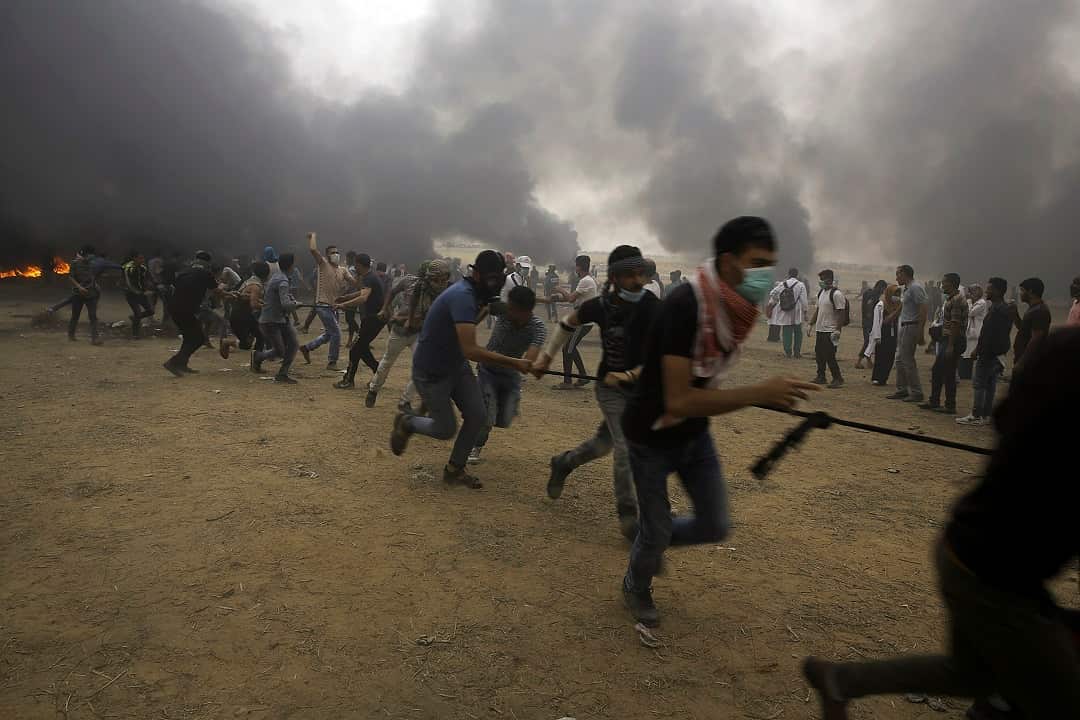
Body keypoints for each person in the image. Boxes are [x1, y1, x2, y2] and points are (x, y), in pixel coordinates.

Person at [803, 327, 1080, 719]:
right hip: (995, 572)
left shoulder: (1061, 350)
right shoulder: (1069, 358)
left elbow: (1008, 418)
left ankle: (843, 680)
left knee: (970, 675)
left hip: (967, 545)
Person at [619, 216, 819, 627]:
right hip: (651, 435)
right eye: (758, 262)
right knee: (655, 534)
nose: (766, 274)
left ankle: (650, 538)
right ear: (728, 262)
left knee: (715, 525)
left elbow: (699, 392)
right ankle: (636, 583)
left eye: (771, 263)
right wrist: (760, 393)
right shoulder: (686, 306)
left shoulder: (733, 311)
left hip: (693, 433)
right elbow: (679, 397)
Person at [532, 246, 662, 540]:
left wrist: (630, 374)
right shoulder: (601, 306)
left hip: (640, 391)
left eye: (641, 274)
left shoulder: (651, 306)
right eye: (630, 275)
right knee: (626, 449)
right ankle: (629, 517)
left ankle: (563, 463)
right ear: (615, 277)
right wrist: (546, 357)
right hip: (610, 390)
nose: (638, 280)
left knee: (604, 444)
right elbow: (568, 323)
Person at [389, 250, 533, 488]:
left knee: (478, 416)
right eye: (491, 278)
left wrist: (519, 310)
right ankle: (407, 422)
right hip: (431, 370)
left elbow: (495, 309)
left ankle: (455, 469)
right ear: (476, 274)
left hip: (456, 365)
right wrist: (515, 362)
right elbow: (471, 350)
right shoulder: (463, 296)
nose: (495, 284)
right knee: (444, 429)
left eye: (499, 278)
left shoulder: (479, 293)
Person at [468, 285, 547, 464]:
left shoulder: (538, 328)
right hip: (487, 370)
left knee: (503, 420)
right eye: (508, 306)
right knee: (487, 418)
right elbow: (488, 307)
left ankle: (500, 406)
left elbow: (529, 358)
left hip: (510, 376)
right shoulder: (503, 309)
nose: (507, 310)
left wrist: (529, 365)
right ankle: (475, 446)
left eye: (512, 308)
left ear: (526, 311)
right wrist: (472, 325)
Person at [366, 259, 451, 410]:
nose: (439, 283)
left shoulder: (439, 294)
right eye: (435, 279)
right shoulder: (410, 282)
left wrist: (399, 318)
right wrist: (384, 309)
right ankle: (373, 389)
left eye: (441, 279)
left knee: (422, 368)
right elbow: (392, 292)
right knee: (386, 362)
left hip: (418, 333)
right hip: (399, 332)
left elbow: (425, 316)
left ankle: (405, 401)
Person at [955, 278, 1012, 426]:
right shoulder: (1002, 308)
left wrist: (978, 350)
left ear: (998, 291)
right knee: (990, 385)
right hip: (995, 353)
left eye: (989, 289)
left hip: (988, 353)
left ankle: (976, 414)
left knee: (979, 384)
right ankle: (985, 415)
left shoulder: (997, 310)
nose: (986, 291)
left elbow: (989, 334)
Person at [163, 251, 222, 375]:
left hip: (174, 308)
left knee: (189, 336)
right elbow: (216, 290)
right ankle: (174, 362)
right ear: (207, 262)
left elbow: (174, 288)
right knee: (199, 338)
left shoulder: (184, 271)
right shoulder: (206, 273)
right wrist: (230, 295)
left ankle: (182, 364)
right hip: (186, 309)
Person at [334, 253, 386, 389]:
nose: (354, 267)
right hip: (373, 319)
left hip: (373, 319)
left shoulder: (369, 277)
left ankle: (348, 380)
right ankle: (378, 372)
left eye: (355, 264)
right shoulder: (369, 276)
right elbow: (361, 293)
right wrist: (345, 298)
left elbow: (363, 298)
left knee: (355, 349)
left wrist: (344, 305)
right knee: (361, 348)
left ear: (359, 264)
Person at [299, 233, 350, 370]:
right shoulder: (323, 264)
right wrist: (313, 236)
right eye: (333, 253)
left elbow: (355, 282)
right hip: (322, 305)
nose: (336, 254)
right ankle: (332, 362)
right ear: (327, 256)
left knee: (329, 334)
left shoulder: (343, 270)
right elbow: (313, 250)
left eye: (337, 252)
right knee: (336, 333)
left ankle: (307, 347)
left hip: (334, 306)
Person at [920, 273, 968, 414]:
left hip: (953, 340)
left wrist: (950, 345)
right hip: (948, 338)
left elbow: (955, 323)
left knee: (947, 373)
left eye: (944, 282)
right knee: (942, 371)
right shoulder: (951, 299)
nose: (941, 285)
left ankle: (948, 405)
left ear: (952, 284)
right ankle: (936, 401)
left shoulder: (957, 300)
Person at [250, 252, 301, 384]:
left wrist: (292, 300)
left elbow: (284, 297)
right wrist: (295, 305)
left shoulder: (279, 276)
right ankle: (258, 356)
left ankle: (282, 373)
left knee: (293, 344)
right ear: (291, 265)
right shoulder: (282, 280)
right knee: (280, 351)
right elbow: (286, 304)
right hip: (271, 321)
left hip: (280, 319)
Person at [554, 255, 599, 388]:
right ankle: (583, 377)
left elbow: (571, 299)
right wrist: (558, 297)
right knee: (570, 348)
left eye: (576, 265)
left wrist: (560, 289)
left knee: (568, 348)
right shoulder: (588, 280)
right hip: (583, 320)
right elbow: (575, 299)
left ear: (578, 267)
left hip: (583, 322)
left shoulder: (585, 281)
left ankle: (568, 382)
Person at [887, 265, 928, 402]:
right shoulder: (908, 288)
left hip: (911, 327)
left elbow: (923, 308)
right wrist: (893, 316)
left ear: (905, 274)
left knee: (907, 360)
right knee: (899, 360)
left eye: (898, 274)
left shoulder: (916, 287)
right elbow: (904, 306)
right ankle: (902, 389)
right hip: (904, 326)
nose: (897, 277)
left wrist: (920, 331)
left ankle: (916, 392)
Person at [220, 261, 269, 358]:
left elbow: (250, 299)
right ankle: (228, 342)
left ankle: (255, 360)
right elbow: (254, 304)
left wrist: (263, 304)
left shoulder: (250, 281)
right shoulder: (256, 286)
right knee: (255, 339)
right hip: (241, 316)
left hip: (241, 314)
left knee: (255, 339)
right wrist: (267, 307)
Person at [808, 269, 846, 388]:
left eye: (823, 279)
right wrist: (810, 324)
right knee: (819, 354)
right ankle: (821, 376)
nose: (822, 281)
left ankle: (837, 378)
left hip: (830, 330)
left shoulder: (836, 294)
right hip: (820, 329)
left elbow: (841, 313)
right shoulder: (821, 293)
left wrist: (837, 330)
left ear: (830, 279)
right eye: (821, 279)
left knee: (830, 355)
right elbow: (818, 310)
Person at [1011, 277, 1051, 374]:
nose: (1020, 293)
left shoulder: (1040, 311)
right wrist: (1015, 314)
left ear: (1030, 291)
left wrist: (1022, 362)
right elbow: (1024, 329)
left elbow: (1036, 339)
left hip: (1030, 362)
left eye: (1022, 290)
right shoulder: (1033, 309)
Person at [769, 267, 809, 359]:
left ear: (789, 274)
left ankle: (788, 352)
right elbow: (804, 300)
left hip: (785, 310)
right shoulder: (801, 285)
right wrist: (805, 312)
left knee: (787, 332)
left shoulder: (783, 284)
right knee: (798, 332)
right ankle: (797, 352)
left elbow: (772, 293)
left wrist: (779, 300)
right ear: (797, 275)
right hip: (797, 311)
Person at [867, 284, 900, 386]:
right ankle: (877, 377)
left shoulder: (898, 305)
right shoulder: (881, 305)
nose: (897, 296)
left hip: (894, 333)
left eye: (898, 294)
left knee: (890, 356)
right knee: (881, 356)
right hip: (882, 333)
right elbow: (883, 321)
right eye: (895, 293)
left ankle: (884, 378)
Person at [122, 251, 156, 339]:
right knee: (137, 313)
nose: (142, 260)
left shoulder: (143, 268)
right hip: (131, 294)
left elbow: (146, 279)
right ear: (134, 258)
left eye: (143, 258)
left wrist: (150, 287)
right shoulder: (128, 268)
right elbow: (128, 284)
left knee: (151, 311)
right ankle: (135, 334)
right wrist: (139, 292)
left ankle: (134, 318)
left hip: (141, 293)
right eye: (140, 258)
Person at [855, 281, 886, 368]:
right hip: (869, 321)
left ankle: (869, 361)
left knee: (871, 341)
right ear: (881, 287)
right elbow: (869, 308)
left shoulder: (868, 293)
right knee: (868, 341)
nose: (884, 291)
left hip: (868, 321)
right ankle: (858, 361)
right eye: (883, 289)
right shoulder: (873, 295)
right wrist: (872, 321)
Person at [959, 285, 987, 380]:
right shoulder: (972, 301)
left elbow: (970, 312)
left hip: (976, 331)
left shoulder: (982, 303)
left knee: (972, 353)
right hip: (969, 331)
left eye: (973, 291)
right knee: (966, 353)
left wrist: (969, 301)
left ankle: (970, 374)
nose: (971, 293)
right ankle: (965, 374)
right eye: (970, 291)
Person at [342, 251, 360, 346]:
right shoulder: (351, 268)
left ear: (352, 258)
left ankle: (360, 336)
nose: (347, 260)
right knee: (350, 319)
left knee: (349, 319)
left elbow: (351, 284)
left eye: (348, 258)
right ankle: (351, 340)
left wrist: (343, 293)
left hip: (352, 296)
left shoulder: (352, 269)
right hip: (351, 296)